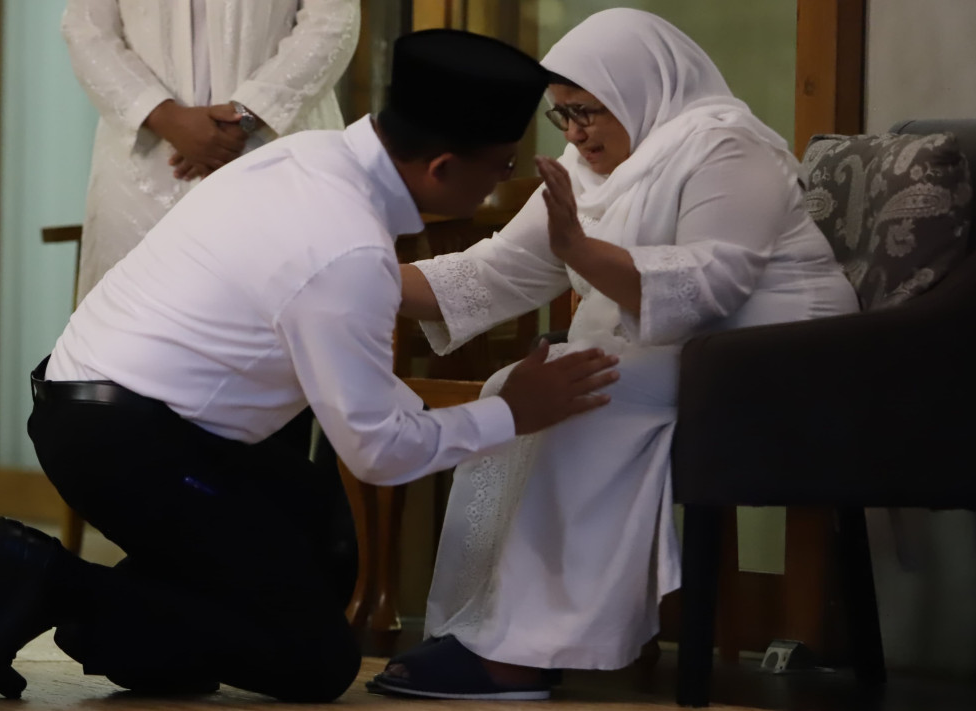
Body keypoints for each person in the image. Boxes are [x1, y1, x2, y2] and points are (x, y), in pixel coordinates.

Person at [0, 29, 621, 703]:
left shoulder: (307, 157)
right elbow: (377, 450)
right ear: (443, 168)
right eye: (502, 164)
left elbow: (347, 310)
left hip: (101, 406)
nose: (503, 180)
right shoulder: (346, 248)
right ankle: (51, 579)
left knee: (321, 538)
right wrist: (513, 411)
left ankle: (135, 639)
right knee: (313, 660)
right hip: (124, 441)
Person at [369, 9, 860, 700]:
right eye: (559, 115)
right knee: (521, 383)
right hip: (684, 359)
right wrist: (354, 273)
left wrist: (578, 250)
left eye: (585, 112)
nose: (573, 133)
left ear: (639, 87)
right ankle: (494, 627)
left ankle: (526, 652)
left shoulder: (724, 144)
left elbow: (708, 286)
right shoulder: (588, 166)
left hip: (782, 362)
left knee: (584, 385)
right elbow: (490, 273)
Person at [62, 0, 360, 301]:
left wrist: (245, 117)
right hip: (144, 170)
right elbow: (85, 28)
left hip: (276, 156)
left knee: (286, 321)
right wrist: (164, 116)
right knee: (137, 328)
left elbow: (333, 22)